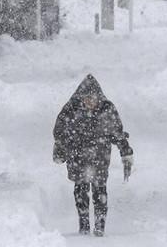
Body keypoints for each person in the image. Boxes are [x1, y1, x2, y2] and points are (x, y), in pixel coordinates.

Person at [53, 74, 134, 237]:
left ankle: (99, 224)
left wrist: (125, 152)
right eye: (87, 98)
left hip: (99, 157)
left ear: (99, 98)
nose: (90, 102)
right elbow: (59, 132)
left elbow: (117, 133)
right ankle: (83, 223)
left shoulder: (106, 109)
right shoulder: (71, 109)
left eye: (94, 98)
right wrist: (61, 148)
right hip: (77, 156)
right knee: (80, 190)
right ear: (81, 98)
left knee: (99, 189)